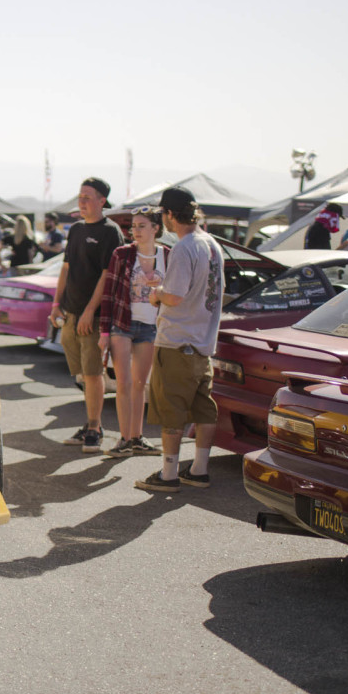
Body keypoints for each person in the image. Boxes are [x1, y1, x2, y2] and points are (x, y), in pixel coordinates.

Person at [135, 187, 225, 493]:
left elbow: (173, 296)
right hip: (203, 343)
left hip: (177, 341)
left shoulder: (185, 247)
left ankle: (169, 474)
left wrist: (156, 293)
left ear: (170, 214)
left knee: (170, 411)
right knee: (204, 410)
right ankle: (199, 470)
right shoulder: (212, 244)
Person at [48, 177, 123, 453]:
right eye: (80, 196)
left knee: (93, 373)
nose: (82, 201)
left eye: (88, 197)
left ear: (102, 201)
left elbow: (107, 275)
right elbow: (66, 268)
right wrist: (57, 304)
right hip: (70, 312)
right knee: (80, 373)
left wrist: (90, 312)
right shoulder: (77, 229)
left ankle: (94, 428)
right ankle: (90, 424)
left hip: (93, 316)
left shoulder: (110, 232)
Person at [100, 208, 169, 458]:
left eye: (141, 226)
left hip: (151, 327)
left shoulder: (167, 256)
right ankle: (124, 438)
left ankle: (137, 438)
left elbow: (175, 294)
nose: (135, 231)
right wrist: (104, 332)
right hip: (123, 324)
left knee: (141, 384)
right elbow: (108, 294)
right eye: (134, 226)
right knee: (124, 383)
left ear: (155, 228)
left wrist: (159, 289)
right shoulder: (123, 254)